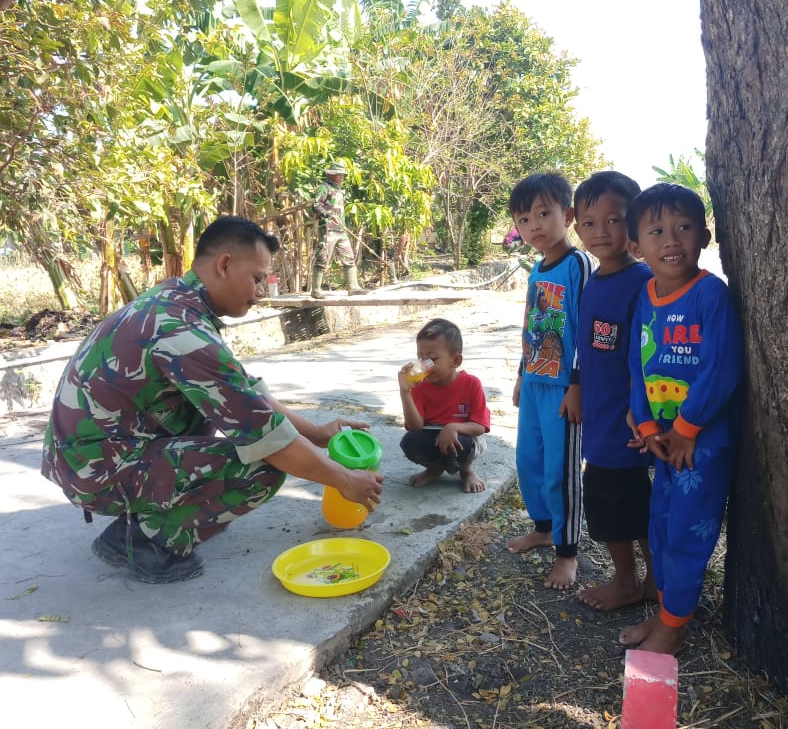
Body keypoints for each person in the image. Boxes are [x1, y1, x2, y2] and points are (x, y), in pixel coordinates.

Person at [40, 216, 384, 584]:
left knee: (239, 433)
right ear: (224, 265)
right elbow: (268, 438)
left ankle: (155, 516)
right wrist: (344, 479)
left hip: (96, 454)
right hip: (94, 469)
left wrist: (317, 433)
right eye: (256, 278)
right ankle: (143, 541)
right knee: (264, 467)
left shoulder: (175, 303)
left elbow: (249, 397)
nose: (260, 292)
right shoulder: (182, 332)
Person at [619, 183, 743, 654]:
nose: (672, 240)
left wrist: (687, 428)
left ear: (704, 236)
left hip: (702, 443)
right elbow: (638, 363)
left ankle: (674, 628)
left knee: (690, 531)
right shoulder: (646, 296)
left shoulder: (711, 295)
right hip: (664, 441)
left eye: (684, 228)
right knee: (662, 527)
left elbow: (723, 366)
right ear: (637, 246)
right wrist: (649, 427)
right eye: (657, 231)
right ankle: (666, 611)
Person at [572, 171, 657, 612]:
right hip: (600, 413)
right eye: (588, 223)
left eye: (614, 220)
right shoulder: (594, 279)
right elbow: (586, 346)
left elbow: (651, 354)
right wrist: (576, 385)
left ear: (634, 222)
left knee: (621, 498)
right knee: (617, 498)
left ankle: (633, 581)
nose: (600, 232)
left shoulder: (644, 282)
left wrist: (641, 411)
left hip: (628, 420)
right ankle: (641, 581)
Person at [505, 172, 592, 589]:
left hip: (563, 388)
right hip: (537, 382)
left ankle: (567, 551)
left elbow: (586, 328)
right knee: (530, 461)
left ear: (568, 215)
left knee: (561, 469)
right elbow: (531, 325)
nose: (534, 226)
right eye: (524, 219)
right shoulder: (537, 270)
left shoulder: (577, 265)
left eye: (543, 214)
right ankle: (542, 527)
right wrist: (522, 374)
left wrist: (576, 383)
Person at [398, 318, 490, 494]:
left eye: (432, 359)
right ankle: (434, 469)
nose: (424, 366)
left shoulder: (471, 384)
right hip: (432, 436)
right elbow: (414, 426)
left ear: (455, 361)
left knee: (463, 443)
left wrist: (453, 427)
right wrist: (405, 392)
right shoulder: (420, 385)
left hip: (464, 437)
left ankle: (466, 470)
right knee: (410, 441)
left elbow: (479, 426)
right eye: (420, 358)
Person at [310, 161, 367, 298]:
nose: (341, 178)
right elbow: (315, 205)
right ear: (332, 175)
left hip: (340, 229)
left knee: (349, 256)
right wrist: (327, 214)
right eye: (339, 175)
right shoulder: (324, 188)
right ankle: (316, 290)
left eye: (342, 175)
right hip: (328, 228)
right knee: (323, 257)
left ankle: (353, 287)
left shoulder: (339, 190)